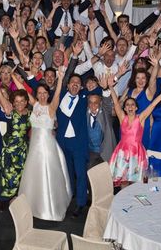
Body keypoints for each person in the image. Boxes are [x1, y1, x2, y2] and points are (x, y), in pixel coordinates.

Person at [19, 68, 72, 221]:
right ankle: (33, 205)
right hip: (34, 147)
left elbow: (57, 95)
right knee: (33, 176)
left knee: (48, 176)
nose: (42, 95)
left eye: (44, 93)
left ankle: (50, 208)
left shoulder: (51, 108)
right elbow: (22, 89)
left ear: (48, 94)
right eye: (39, 93)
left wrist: (60, 78)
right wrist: (16, 78)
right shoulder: (34, 105)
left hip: (47, 147)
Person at [107, 76, 161, 186]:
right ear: (124, 108)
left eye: (132, 105)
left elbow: (152, 105)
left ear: (136, 108)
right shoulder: (122, 118)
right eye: (127, 105)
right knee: (123, 180)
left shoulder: (141, 118)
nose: (130, 107)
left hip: (136, 153)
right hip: (122, 153)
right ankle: (124, 201)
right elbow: (115, 102)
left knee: (135, 182)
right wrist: (110, 86)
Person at [54, 71, 91, 218]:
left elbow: (99, 90)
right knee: (67, 173)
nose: (75, 84)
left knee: (80, 173)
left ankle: (81, 203)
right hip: (62, 142)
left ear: (81, 87)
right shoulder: (60, 95)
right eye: (72, 82)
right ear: (67, 85)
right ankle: (70, 198)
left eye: (78, 83)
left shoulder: (84, 98)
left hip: (78, 143)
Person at [0, 73, 31, 201]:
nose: (19, 104)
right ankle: (5, 200)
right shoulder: (10, 111)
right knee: (8, 174)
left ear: (26, 102)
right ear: (13, 102)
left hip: (23, 149)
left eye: (22, 101)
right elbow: (1, 96)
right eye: (16, 101)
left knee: (22, 174)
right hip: (9, 149)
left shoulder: (31, 113)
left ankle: (19, 199)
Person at [87, 91, 116, 167]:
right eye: (90, 102)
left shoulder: (105, 113)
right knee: (92, 176)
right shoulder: (84, 113)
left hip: (106, 152)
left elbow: (107, 103)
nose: (93, 105)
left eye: (96, 102)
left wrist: (105, 89)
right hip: (91, 152)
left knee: (107, 177)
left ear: (100, 103)